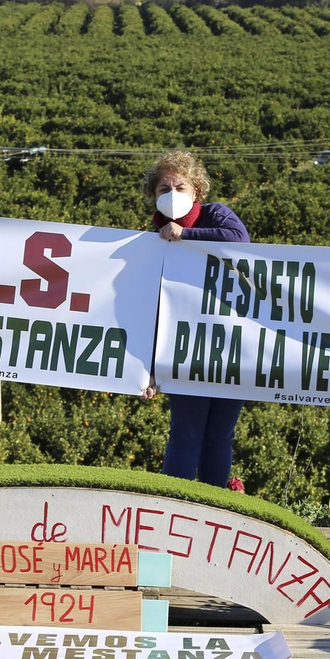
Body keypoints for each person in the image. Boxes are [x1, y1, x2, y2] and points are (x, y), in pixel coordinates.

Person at [141, 150, 250, 487]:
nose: (172, 195)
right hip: (184, 349)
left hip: (230, 348)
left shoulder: (216, 215)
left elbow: (240, 241)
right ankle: (177, 507)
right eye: (163, 189)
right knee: (186, 434)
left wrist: (185, 235)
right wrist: (148, 368)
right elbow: (146, 304)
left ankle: (217, 507)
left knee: (220, 435)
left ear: (197, 192)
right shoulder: (152, 241)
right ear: (153, 196)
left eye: (181, 187)